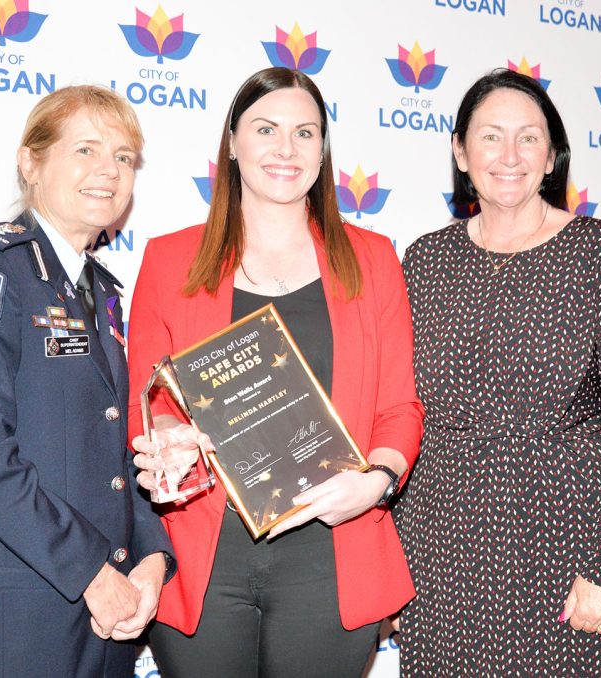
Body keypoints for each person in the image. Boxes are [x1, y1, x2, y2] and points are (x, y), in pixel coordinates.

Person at [125, 67, 424, 678]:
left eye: (304, 133)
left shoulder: (373, 259)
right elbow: (147, 399)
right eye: (266, 129)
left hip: (332, 550)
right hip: (205, 553)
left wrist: (378, 481)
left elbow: (400, 406)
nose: (285, 149)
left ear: (322, 151)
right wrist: (167, 441)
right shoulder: (168, 258)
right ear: (233, 143)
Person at [393, 68, 601, 676]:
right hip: (445, 564)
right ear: (461, 152)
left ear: (551, 157)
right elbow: (402, 414)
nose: (509, 156)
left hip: (570, 559)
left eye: (529, 138)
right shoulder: (425, 261)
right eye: (490, 137)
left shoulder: (600, 254)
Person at [0, 85, 174, 677]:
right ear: (30, 162)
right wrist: (91, 572)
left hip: (109, 614)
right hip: (16, 619)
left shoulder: (105, 293)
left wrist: (152, 557)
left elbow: (121, 448)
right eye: (85, 150)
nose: (107, 172)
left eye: (122, 157)